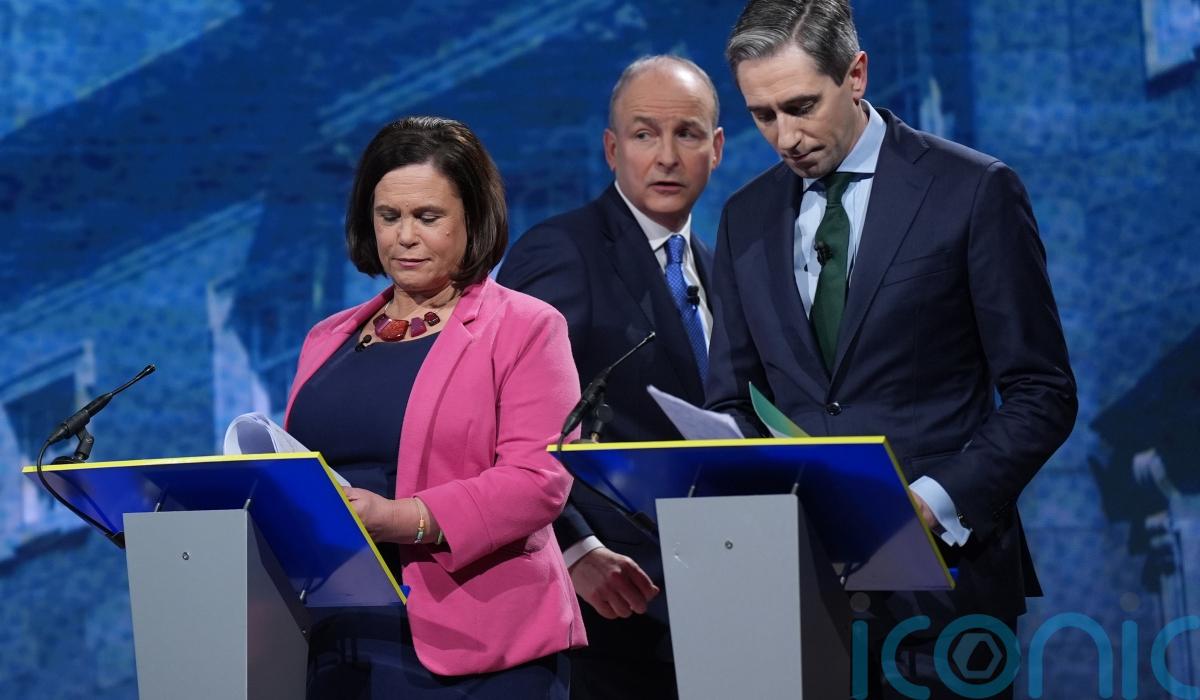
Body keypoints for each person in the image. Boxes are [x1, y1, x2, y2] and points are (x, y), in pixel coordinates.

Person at [706, 1, 1077, 697]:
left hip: (947, 594)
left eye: (800, 106)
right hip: (802, 594)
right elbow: (731, 400)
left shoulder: (973, 191)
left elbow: (1043, 394)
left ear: (856, 75)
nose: (785, 137)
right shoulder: (743, 218)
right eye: (763, 115)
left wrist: (930, 504)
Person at [284, 116, 586, 699]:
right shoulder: (326, 338)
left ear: (473, 220)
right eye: (388, 216)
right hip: (339, 641)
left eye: (427, 217)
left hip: (480, 649)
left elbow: (539, 480)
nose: (404, 236)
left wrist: (398, 518)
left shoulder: (526, 327)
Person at [497, 55, 724, 699]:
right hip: (606, 603)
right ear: (612, 148)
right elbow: (501, 411)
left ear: (716, 149)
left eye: (687, 134)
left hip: (714, 596)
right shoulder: (562, 250)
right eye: (645, 134)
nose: (667, 157)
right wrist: (573, 548)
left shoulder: (720, 271)